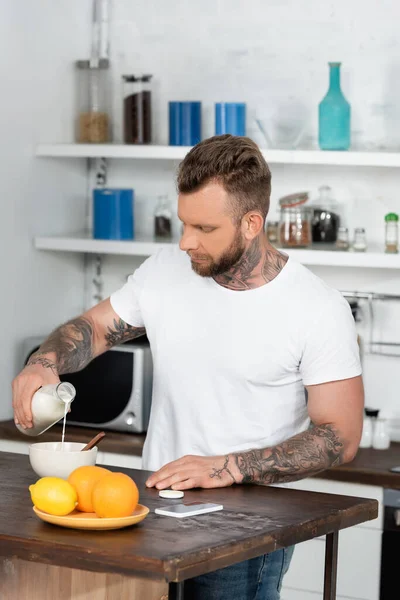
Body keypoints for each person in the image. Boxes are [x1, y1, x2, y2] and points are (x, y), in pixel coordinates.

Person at [12, 134, 364, 600]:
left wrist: (228, 467)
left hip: (248, 527)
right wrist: (44, 362)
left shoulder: (316, 308)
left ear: (251, 223)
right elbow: (95, 329)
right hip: (152, 510)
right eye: (183, 223)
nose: (185, 242)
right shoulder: (164, 270)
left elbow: (340, 437)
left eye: (204, 228)